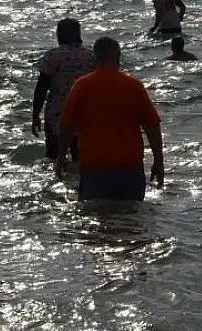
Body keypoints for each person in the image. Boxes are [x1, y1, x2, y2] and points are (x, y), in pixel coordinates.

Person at [56, 37, 164, 204]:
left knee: (97, 221)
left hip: (95, 167)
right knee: (131, 222)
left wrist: (61, 158)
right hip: (130, 168)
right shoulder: (133, 86)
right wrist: (158, 161)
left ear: (95, 58)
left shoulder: (82, 85)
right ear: (118, 56)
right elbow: (152, 125)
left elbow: (66, 126)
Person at [32, 18, 94, 160]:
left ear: (59, 35)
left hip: (57, 114)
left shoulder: (52, 56)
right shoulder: (91, 56)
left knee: (54, 158)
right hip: (84, 115)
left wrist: (35, 115)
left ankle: (54, 181)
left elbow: (41, 88)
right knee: (81, 160)